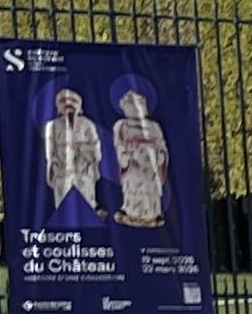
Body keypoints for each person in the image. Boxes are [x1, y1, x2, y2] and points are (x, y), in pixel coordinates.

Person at [40, 87, 104, 222]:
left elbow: (96, 150)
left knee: (86, 205)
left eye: (72, 101)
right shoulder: (52, 126)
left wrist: (81, 148)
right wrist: (55, 166)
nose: (68, 104)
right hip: (63, 173)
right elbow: (50, 153)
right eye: (63, 101)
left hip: (83, 171)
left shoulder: (87, 124)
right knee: (65, 209)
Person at [111, 88, 171, 228]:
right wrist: (125, 157)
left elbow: (161, 145)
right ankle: (132, 212)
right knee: (134, 189)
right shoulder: (121, 125)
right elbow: (119, 144)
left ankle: (151, 214)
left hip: (151, 166)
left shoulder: (154, 126)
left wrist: (161, 156)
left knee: (150, 191)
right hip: (134, 164)